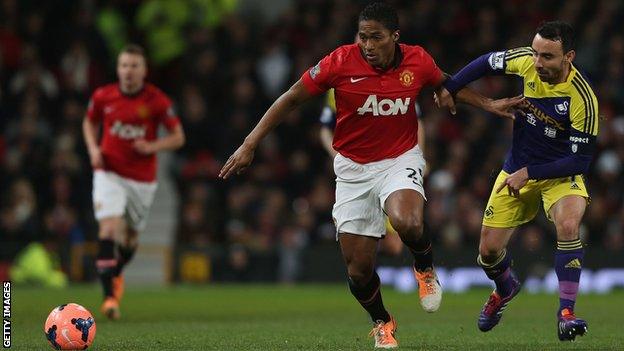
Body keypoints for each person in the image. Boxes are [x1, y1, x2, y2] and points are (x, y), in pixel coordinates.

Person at [220, 2, 519, 348]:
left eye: (376, 37)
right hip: (352, 169)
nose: (368, 45)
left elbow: (447, 84)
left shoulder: (417, 60)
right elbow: (290, 99)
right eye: (363, 37)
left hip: (399, 158)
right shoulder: (339, 62)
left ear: (395, 36)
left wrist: (488, 104)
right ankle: (382, 321)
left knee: (406, 221)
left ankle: (424, 267)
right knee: (358, 270)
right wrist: (249, 144)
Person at [439, 21, 598, 341]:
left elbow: (580, 161)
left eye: (548, 57)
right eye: (536, 54)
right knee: (488, 253)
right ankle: (505, 287)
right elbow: (485, 62)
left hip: (558, 174)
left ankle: (566, 313)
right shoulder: (526, 61)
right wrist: (451, 86)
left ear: (569, 56)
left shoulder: (583, 98)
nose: (538, 63)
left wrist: (531, 173)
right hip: (517, 169)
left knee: (568, 225)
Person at [83, 44, 185, 320]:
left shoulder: (157, 101)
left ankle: (116, 272)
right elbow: (89, 123)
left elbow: (178, 137)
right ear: (118, 69)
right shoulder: (103, 96)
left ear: (144, 70)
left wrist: (153, 146)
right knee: (108, 228)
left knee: (129, 239)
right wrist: (93, 149)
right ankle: (108, 299)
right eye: (124, 65)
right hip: (108, 172)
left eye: (134, 66)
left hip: (141, 180)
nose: (128, 71)